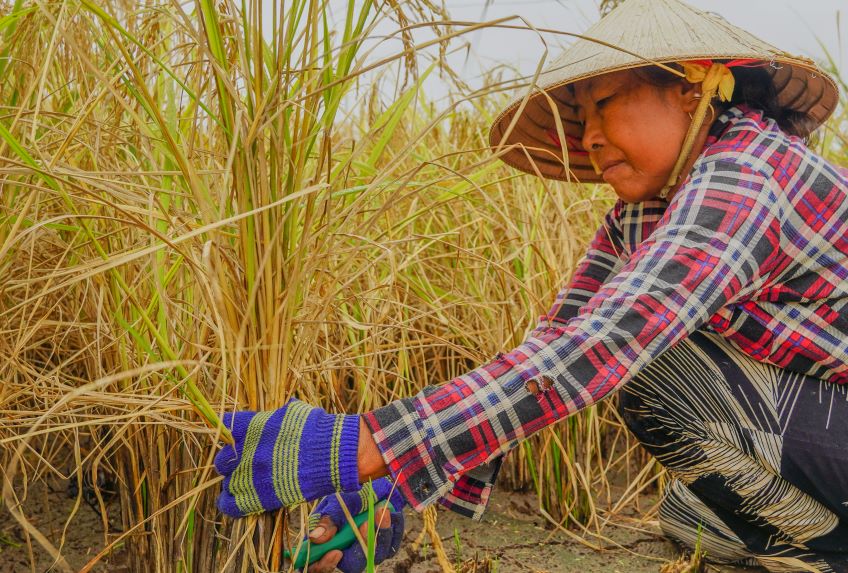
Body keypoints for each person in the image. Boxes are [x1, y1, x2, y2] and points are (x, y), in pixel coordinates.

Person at [213, 0, 848, 571]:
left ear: (692, 91)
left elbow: (600, 345)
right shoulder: (645, 213)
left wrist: (367, 445)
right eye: (580, 120)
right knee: (689, 515)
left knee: (648, 365)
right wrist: (392, 485)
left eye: (602, 104)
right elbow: (559, 334)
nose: (590, 138)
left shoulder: (747, 172)